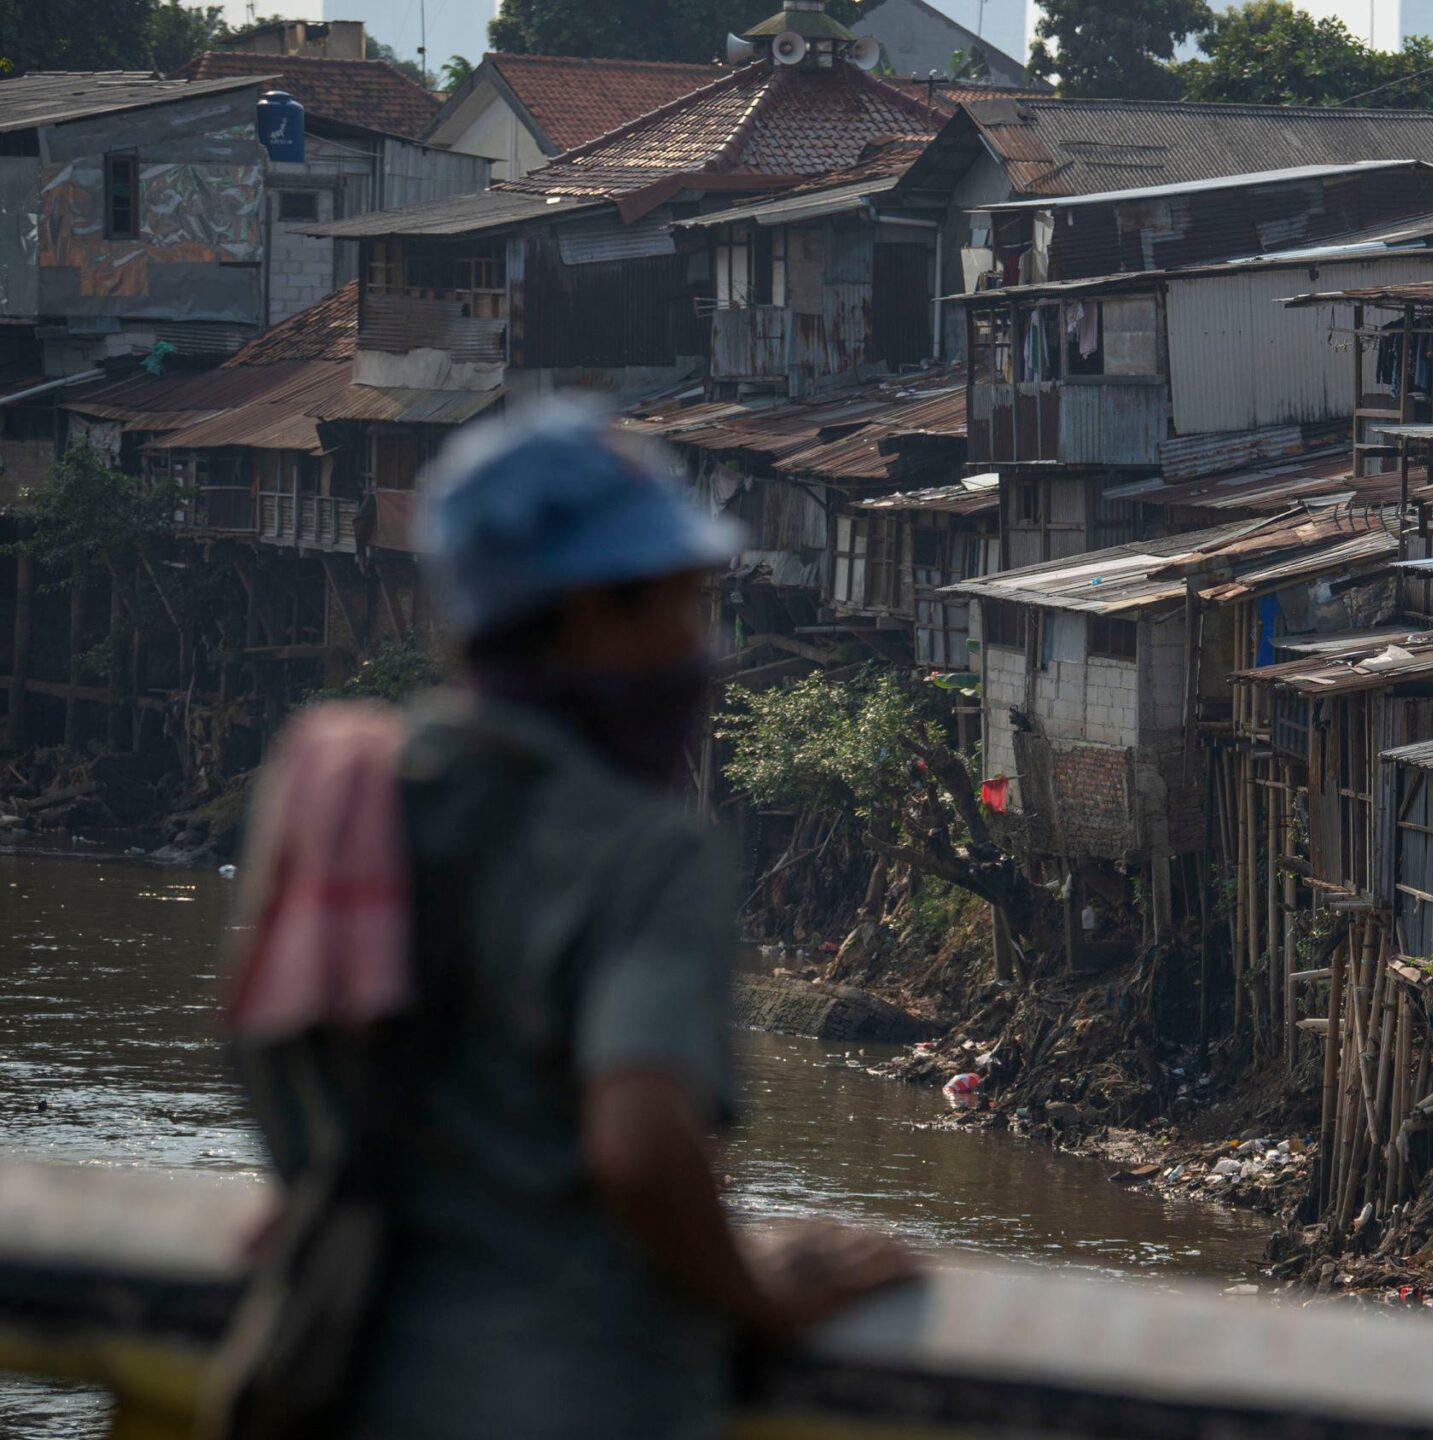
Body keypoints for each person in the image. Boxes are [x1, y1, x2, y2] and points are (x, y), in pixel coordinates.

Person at [217, 399, 912, 1440]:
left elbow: (273, 1060)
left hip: (353, 1376)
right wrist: (760, 1296)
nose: (704, 650)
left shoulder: (333, 788)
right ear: (593, 616)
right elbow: (638, 1148)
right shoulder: (644, 851)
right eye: (682, 606)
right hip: (576, 1394)